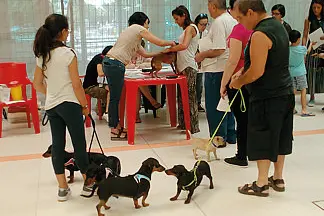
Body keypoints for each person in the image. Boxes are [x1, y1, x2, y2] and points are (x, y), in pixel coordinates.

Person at [230, 0, 294, 197]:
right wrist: (243, 69)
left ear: (250, 13)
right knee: (281, 135)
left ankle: (261, 183)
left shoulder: (259, 33)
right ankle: (278, 178)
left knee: (263, 135)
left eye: (240, 18)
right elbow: (269, 59)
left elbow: (257, 71)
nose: (240, 23)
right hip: (285, 92)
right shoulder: (279, 26)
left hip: (267, 95)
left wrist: (239, 82)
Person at [33, 14, 91, 201]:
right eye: (68, 30)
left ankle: (62, 189)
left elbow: (37, 84)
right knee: (79, 145)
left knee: (57, 146)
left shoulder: (43, 55)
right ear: (63, 31)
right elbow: (76, 84)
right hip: (70, 104)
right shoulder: (68, 54)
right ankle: (89, 184)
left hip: (52, 106)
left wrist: (51, 93)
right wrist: (85, 105)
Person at [104, 12, 175, 140]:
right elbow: (158, 41)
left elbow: (146, 54)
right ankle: (114, 129)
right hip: (115, 64)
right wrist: (172, 43)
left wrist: (162, 52)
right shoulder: (138, 28)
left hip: (112, 63)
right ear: (143, 22)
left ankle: (117, 127)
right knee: (115, 98)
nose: (147, 27)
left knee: (116, 98)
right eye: (147, 23)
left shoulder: (133, 36)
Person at [195, 0, 237, 145]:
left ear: (213, 6)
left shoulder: (219, 22)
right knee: (227, 104)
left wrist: (202, 55)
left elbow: (219, 49)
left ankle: (219, 138)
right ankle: (231, 135)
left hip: (216, 69)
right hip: (228, 68)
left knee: (215, 106)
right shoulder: (232, 19)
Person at [220, 0, 252, 167]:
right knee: (252, 119)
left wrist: (224, 83)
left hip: (239, 81)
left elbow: (232, 61)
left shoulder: (239, 30)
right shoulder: (257, 28)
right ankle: (254, 152)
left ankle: (241, 155)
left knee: (242, 120)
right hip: (255, 79)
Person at [163, 5, 200, 133]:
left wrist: (170, 49)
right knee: (181, 96)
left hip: (189, 65)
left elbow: (184, 46)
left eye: (177, 18)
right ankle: (184, 123)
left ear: (184, 15)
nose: (176, 22)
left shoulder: (191, 28)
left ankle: (193, 126)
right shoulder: (186, 30)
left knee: (190, 97)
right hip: (182, 65)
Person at [302, 0, 324, 107]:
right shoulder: (309, 20)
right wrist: (303, 49)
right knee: (311, 72)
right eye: (314, 7)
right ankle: (311, 96)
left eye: (318, 8)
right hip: (312, 47)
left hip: (323, 47)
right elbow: (305, 35)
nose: (316, 10)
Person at [289, 30, 315, 117]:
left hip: (291, 72)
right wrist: (311, 44)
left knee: (293, 91)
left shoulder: (287, 49)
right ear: (298, 39)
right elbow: (307, 52)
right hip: (300, 72)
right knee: (303, 90)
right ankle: (304, 110)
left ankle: (292, 109)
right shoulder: (302, 49)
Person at [83, 46, 112, 122]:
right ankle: (107, 112)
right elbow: (100, 73)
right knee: (112, 92)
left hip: (95, 84)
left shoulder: (99, 57)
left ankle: (100, 110)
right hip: (89, 87)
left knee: (110, 88)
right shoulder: (100, 59)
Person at [194, 13, 209, 112]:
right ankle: (193, 103)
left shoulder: (206, 33)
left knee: (199, 83)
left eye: (205, 24)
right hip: (192, 59)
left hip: (202, 60)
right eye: (201, 24)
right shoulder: (192, 32)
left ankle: (198, 103)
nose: (203, 27)